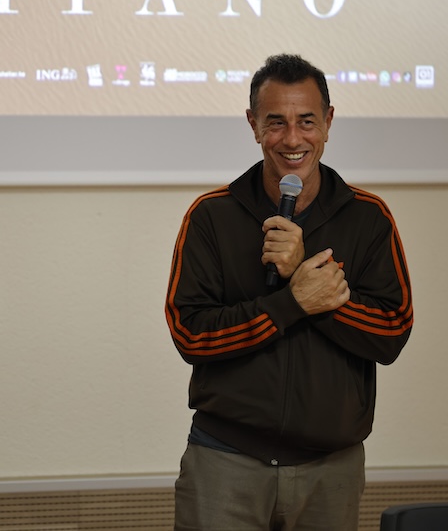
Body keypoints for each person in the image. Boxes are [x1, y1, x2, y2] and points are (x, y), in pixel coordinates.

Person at [164, 54, 413, 530]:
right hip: (225, 460)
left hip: (331, 467)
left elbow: (391, 334)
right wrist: (290, 303)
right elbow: (191, 335)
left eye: (307, 121)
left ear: (329, 122)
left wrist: (308, 281)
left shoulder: (369, 217)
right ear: (253, 125)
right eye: (276, 122)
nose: (293, 139)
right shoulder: (211, 215)